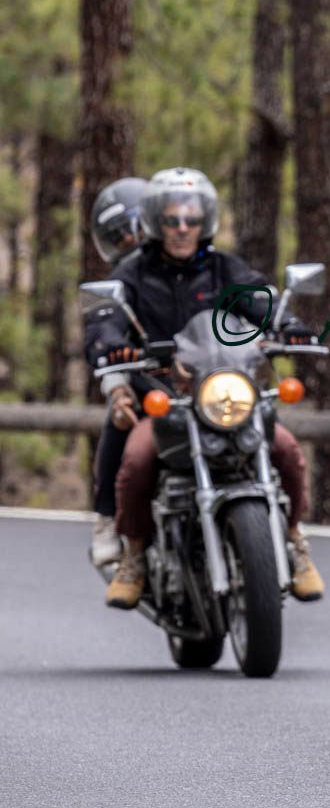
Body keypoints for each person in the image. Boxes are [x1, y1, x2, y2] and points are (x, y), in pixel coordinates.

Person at [89, 167, 326, 608]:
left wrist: (290, 327)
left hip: (224, 394)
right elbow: (106, 321)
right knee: (138, 458)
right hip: (168, 400)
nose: (182, 228)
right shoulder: (132, 275)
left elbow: (262, 300)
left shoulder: (224, 269)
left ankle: (295, 540)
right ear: (155, 220)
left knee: (287, 450)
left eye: (191, 218)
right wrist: (110, 346)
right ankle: (134, 554)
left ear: (205, 220)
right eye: (172, 218)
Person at [85, 177, 151, 567]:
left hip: (205, 378)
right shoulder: (117, 282)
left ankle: (288, 530)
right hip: (146, 379)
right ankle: (106, 515)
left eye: (131, 230)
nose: (127, 241)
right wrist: (116, 386)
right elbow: (102, 331)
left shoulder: (193, 264)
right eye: (117, 236)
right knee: (120, 416)